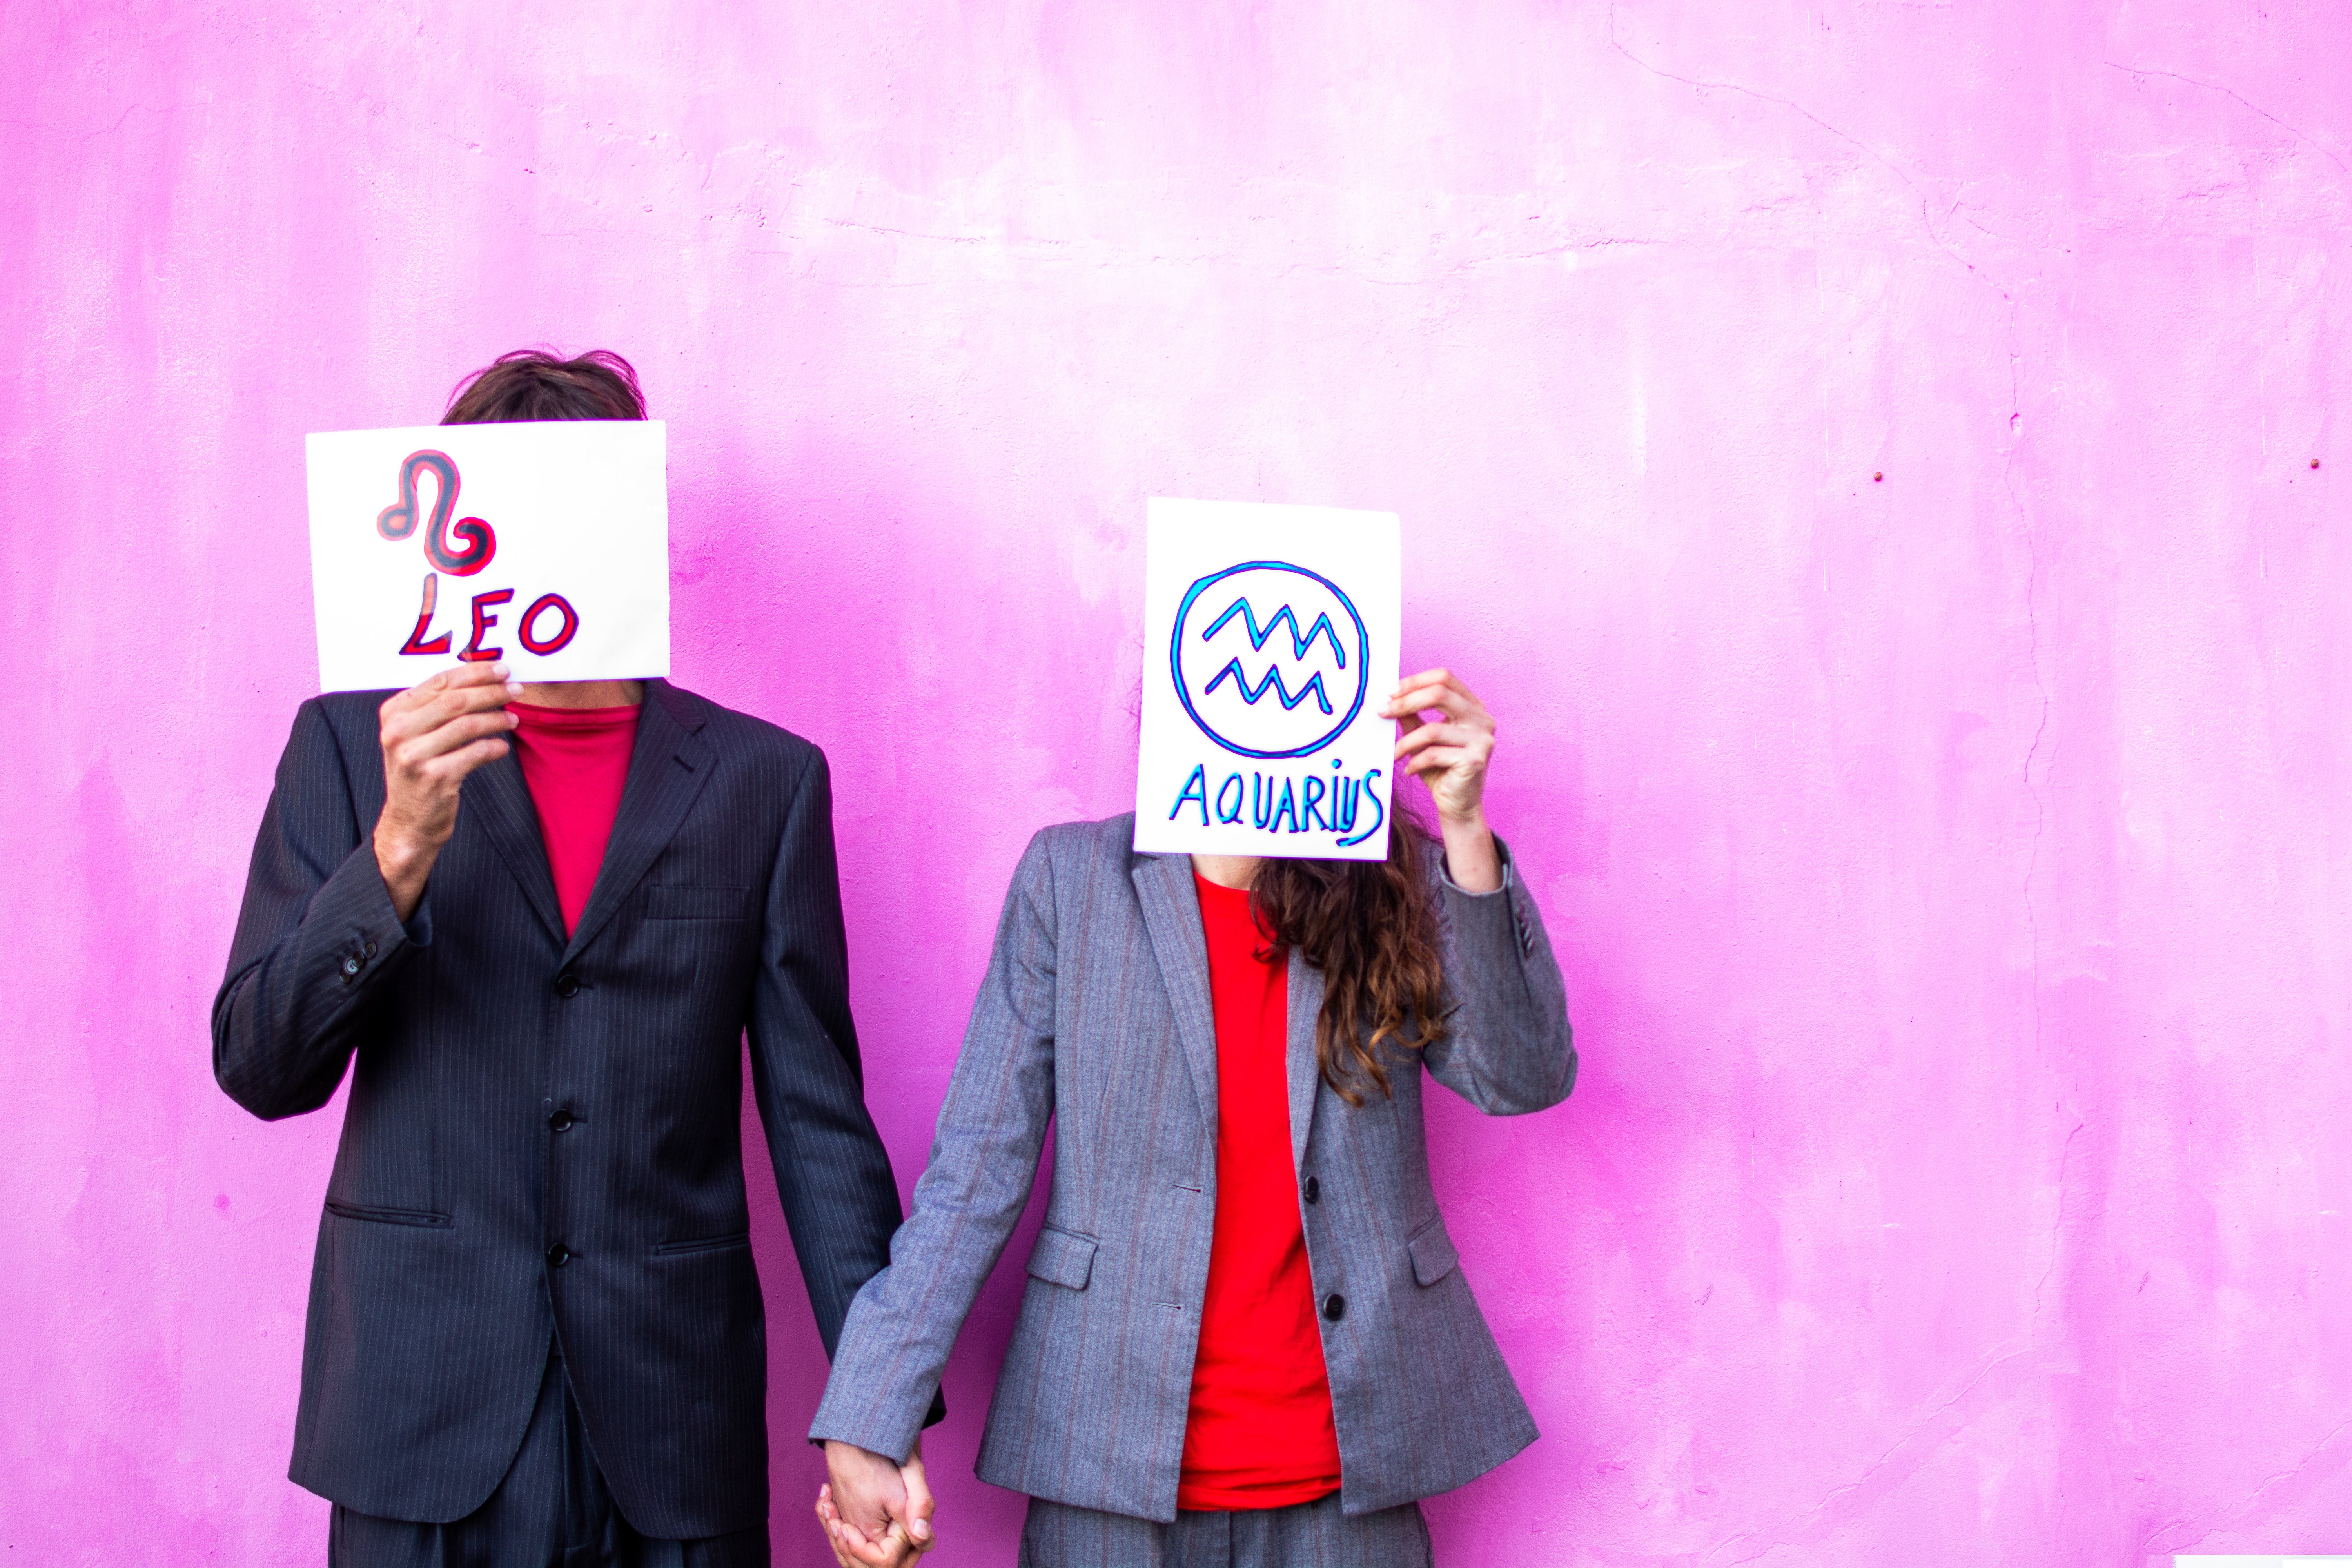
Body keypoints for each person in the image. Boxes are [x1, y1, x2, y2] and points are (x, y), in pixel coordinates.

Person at [213, 349, 916, 1567]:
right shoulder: (348, 746)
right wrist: (394, 851)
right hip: (416, 1417)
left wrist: (873, 1407)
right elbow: (261, 1065)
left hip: (671, 1424)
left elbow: (817, 1121)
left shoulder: (763, 782)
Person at [808, 668, 1573, 1567]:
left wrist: (1466, 829)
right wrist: (870, 1412)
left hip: (1347, 1475)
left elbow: (1518, 1076)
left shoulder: (1389, 880)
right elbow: (977, 1168)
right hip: (1110, 1469)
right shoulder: (1072, 879)